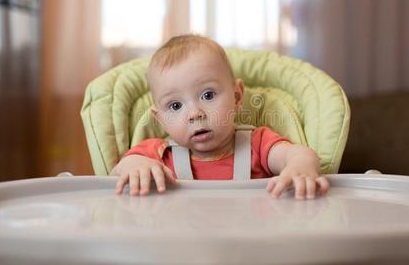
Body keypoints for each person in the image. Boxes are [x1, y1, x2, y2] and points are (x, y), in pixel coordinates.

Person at [111, 35, 329, 200]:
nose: (195, 114)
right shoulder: (157, 153)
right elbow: (118, 171)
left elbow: (296, 154)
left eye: (208, 95)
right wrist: (135, 166)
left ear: (237, 96)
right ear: (161, 119)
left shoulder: (257, 143)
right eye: (175, 105)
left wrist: (299, 166)